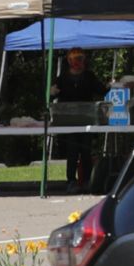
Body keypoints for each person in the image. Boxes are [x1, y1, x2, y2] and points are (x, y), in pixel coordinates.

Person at [48, 49, 106, 193]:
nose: (76, 62)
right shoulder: (62, 78)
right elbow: (50, 96)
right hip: (69, 121)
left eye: (79, 58)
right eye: (73, 58)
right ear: (68, 60)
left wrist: (110, 85)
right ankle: (71, 181)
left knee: (86, 150)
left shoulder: (89, 76)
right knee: (72, 151)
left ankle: (87, 181)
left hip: (87, 119)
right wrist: (51, 91)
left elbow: (102, 90)